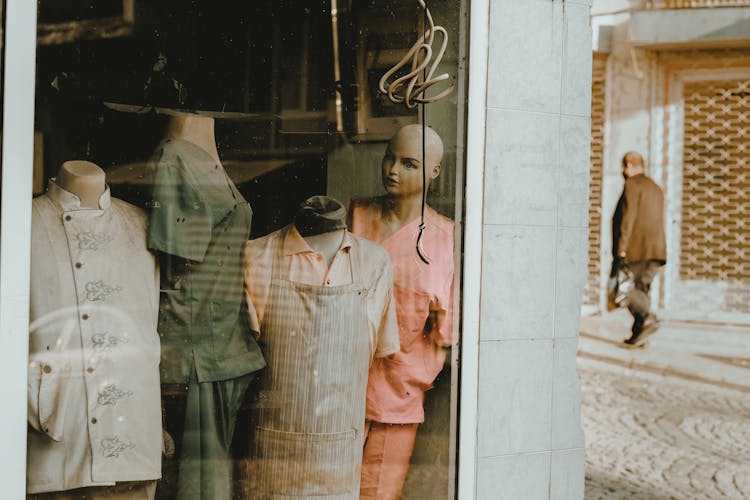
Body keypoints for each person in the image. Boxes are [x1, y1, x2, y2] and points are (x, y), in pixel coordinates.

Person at [348, 125, 455, 499]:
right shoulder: (357, 217)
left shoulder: (445, 239)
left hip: (398, 396)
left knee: (378, 493)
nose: (393, 170)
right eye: (390, 158)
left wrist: (415, 374)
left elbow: (445, 331)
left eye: (409, 164)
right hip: (340, 386)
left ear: (434, 173)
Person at [611, 151, 666, 347]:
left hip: (635, 251)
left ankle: (648, 316)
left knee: (623, 288)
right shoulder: (656, 188)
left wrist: (622, 248)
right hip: (655, 251)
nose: (623, 172)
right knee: (641, 291)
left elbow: (628, 218)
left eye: (624, 167)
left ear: (630, 165)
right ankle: (639, 336)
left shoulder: (632, 185)